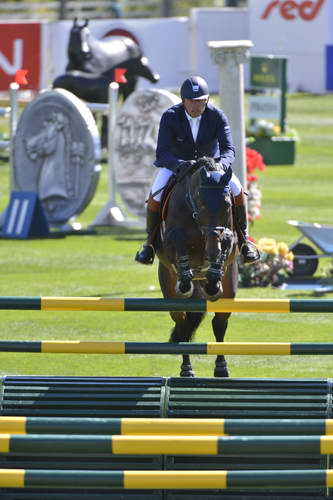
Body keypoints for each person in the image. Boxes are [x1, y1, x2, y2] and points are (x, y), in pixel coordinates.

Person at [135, 75, 259, 265]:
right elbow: (162, 153)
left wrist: (221, 165)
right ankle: (149, 244)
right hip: (178, 166)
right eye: (192, 101)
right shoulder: (170, 116)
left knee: (237, 189)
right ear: (183, 100)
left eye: (201, 101)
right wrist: (179, 164)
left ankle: (244, 241)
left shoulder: (217, 116)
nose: (196, 106)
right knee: (156, 194)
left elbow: (228, 150)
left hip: (212, 167)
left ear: (207, 100)